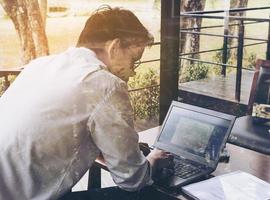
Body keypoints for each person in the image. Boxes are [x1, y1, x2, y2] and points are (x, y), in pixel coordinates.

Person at [0, 6, 173, 200]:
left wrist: (103, 148)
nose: (133, 71)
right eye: (134, 60)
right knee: (152, 193)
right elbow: (132, 179)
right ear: (114, 47)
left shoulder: (40, 65)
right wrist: (152, 160)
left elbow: (50, 134)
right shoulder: (104, 84)